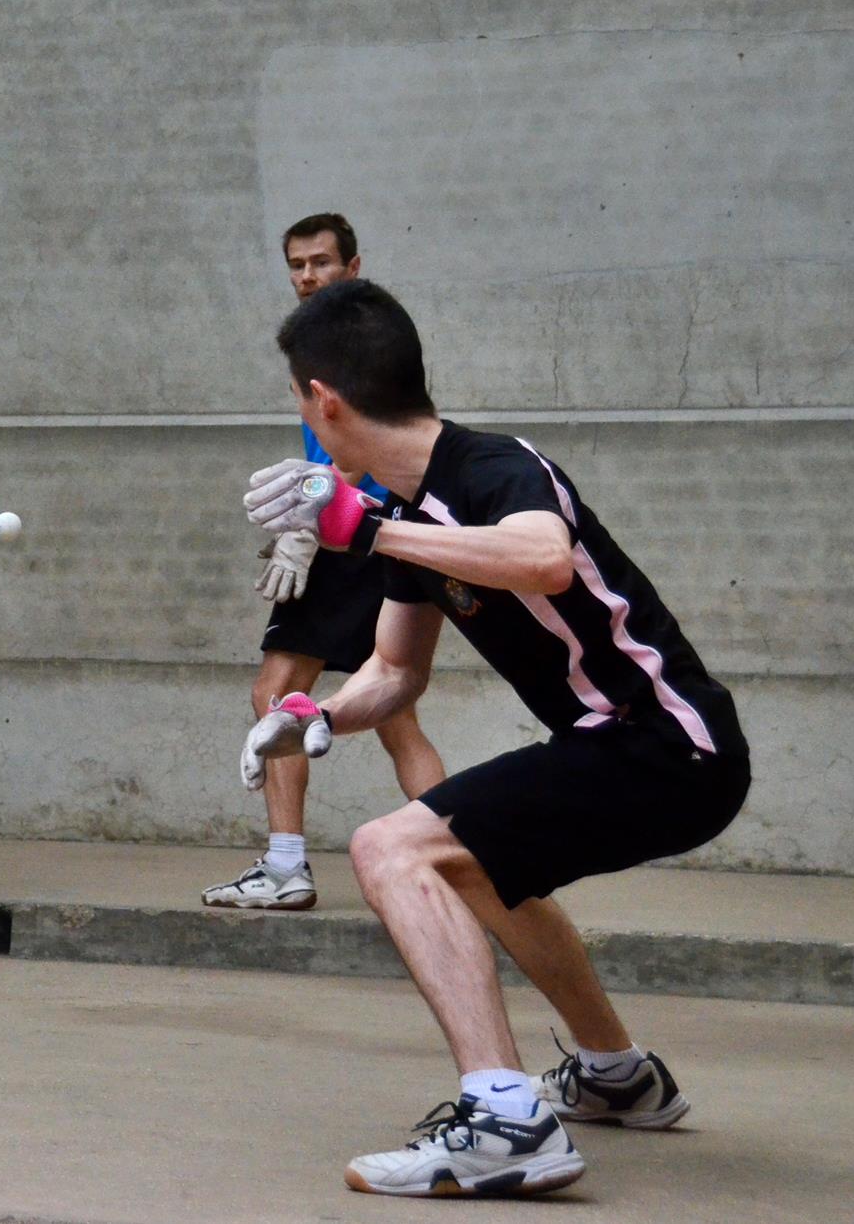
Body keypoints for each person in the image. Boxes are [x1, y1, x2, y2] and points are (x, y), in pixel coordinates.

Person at [242, 280, 748, 1197]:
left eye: (295, 396)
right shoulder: (407, 515)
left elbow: (540, 557)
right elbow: (396, 673)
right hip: (622, 748)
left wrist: (369, 527)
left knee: (390, 848)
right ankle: (614, 1075)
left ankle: (505, 1121)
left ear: (323, 400)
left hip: (664, 742)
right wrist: (307, 716)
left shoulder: (493, 470)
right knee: (475, 864)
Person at [203, 215, 444, 912]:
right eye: (296, 265)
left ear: (353, 266)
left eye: (320, 263)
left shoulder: (338, 350)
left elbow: (354, 447)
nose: (306, 276)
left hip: (354, 538)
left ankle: (284, 866)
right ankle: (467, 862)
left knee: (273, 696)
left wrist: (306, 527)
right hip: (389, 535)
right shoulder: (372, 337)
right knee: (393, 713)